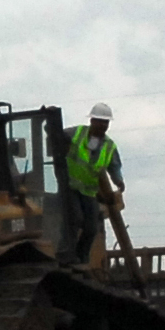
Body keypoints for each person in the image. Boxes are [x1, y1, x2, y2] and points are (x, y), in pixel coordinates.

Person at [59, 103, 123, 266]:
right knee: (75, 219)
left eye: (106, 122)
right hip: (71, 187)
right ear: (92, 120)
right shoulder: (76, 133)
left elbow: (114, 166)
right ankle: (66, 254)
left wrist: (119, 181)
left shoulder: (109, 146)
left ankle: (82, 256)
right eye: (100, 121)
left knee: (92, 227)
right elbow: (55, 135)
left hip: (89, 191)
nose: (103, 126)